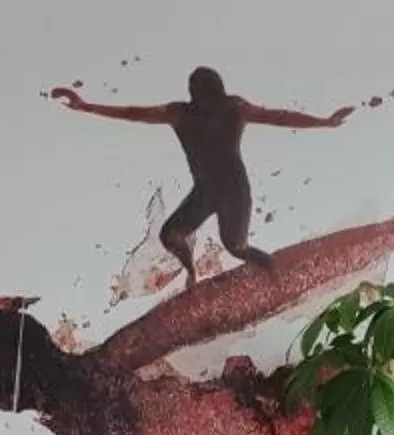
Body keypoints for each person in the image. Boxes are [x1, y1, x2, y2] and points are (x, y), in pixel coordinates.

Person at [50, 68, 356, 286]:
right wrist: (86, 106)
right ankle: (192, 271)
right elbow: (134, 112)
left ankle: (276, 273)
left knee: (235, 247)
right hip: (206, 190)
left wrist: (324, 122)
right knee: (170, 235)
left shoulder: (232, 108)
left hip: (233, 188)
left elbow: (281, 117)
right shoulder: (182, 113)